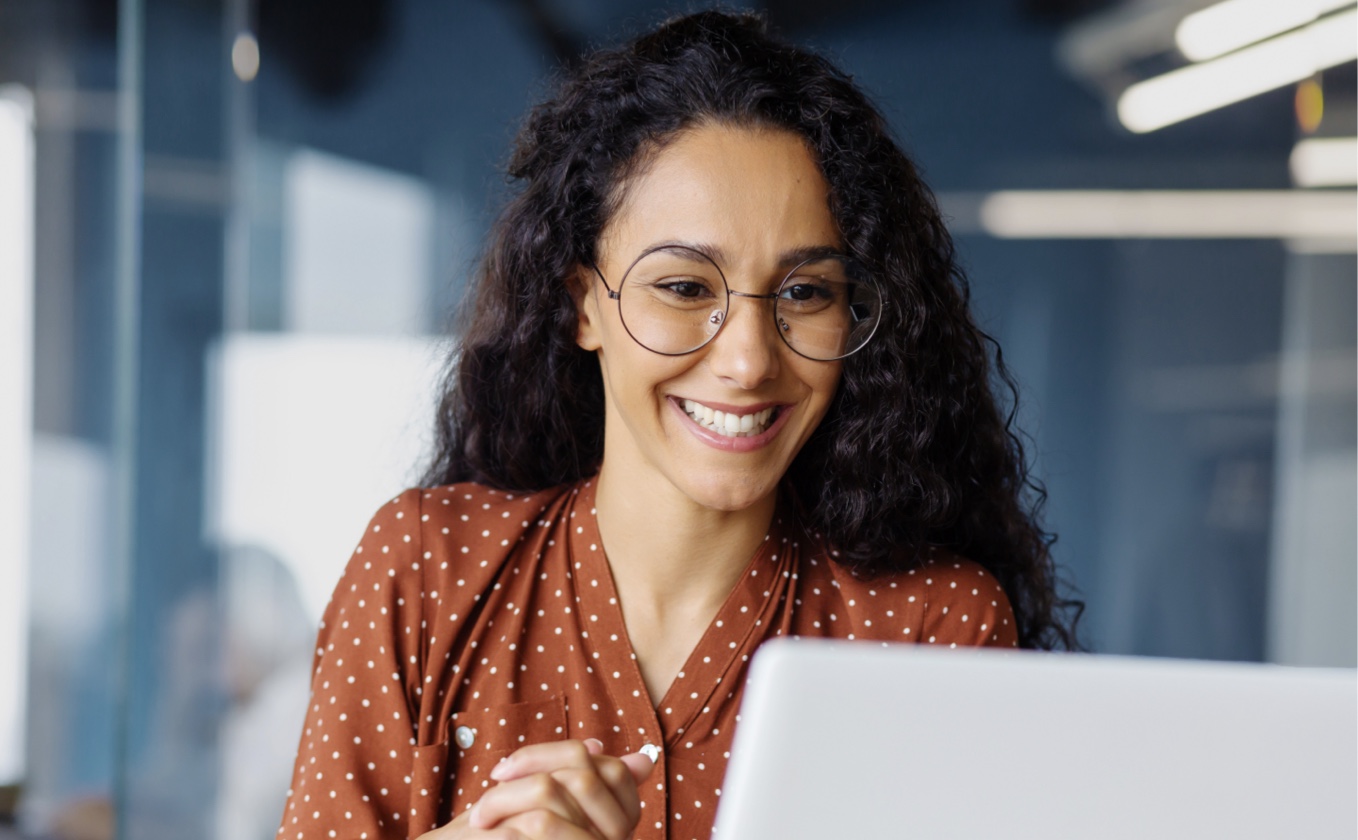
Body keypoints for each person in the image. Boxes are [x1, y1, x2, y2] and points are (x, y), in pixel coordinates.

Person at [278, 10, 1079, 840]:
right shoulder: (427, 570)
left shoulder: (925, 629)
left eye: (805, 294)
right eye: (685, 288)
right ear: (582, 303)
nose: (747, 360)